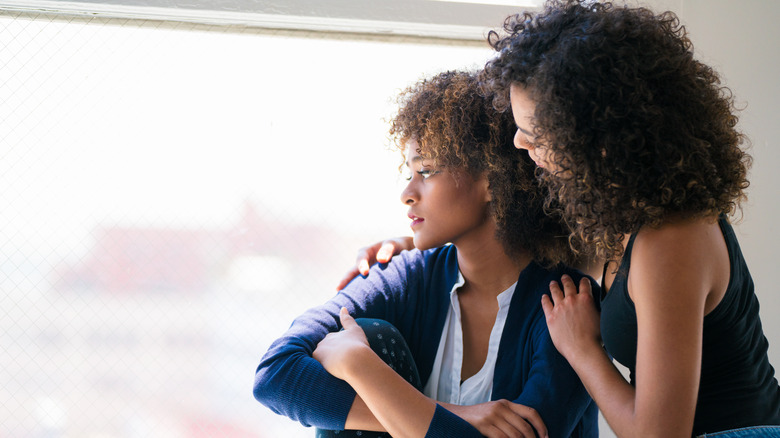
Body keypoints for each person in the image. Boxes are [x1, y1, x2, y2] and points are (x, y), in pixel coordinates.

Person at [253, 70, 599, 438]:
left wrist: (360, 365)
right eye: (409, 172)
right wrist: (460, 415)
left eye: (426, 170)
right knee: (370, 334)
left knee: (359, 345)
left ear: (493, 180)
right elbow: (276, 374)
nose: (407, 193)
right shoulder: (405, 276)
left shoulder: (569, 304)